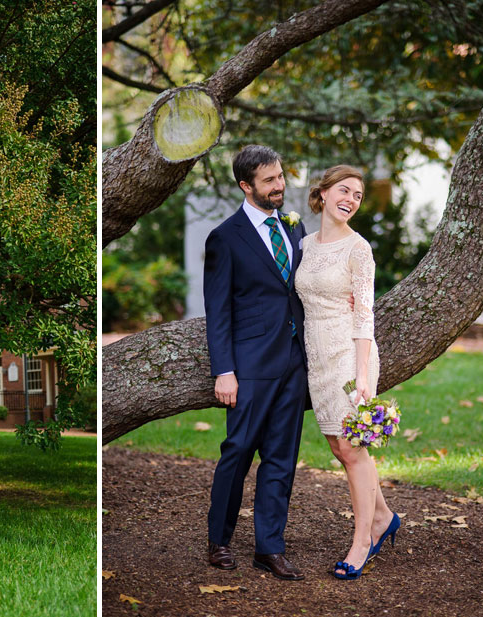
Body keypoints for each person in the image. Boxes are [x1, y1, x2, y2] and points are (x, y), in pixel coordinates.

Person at [203, 145, 309, 581]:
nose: (279, 185)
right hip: (248, 366)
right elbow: (218, 310)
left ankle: (269, 547)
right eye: (269, 180)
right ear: (247, 186)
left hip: (294, 362)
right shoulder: (224, 238)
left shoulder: (295, 226)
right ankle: (219, 539)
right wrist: (223, 371)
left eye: (281, 177)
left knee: (282, 458)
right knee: (238, 451)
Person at [294, 165, 400, 580]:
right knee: (340, 449)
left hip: (349, 356)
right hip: (316, 358)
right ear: (322, 193)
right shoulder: (304, 244)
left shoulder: (359, 250)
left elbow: (365, 316)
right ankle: (385, 516)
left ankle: (364, 541)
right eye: (344, 190)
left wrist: (364, 379)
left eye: (357, 195)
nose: (351, 199)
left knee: (353, 451)